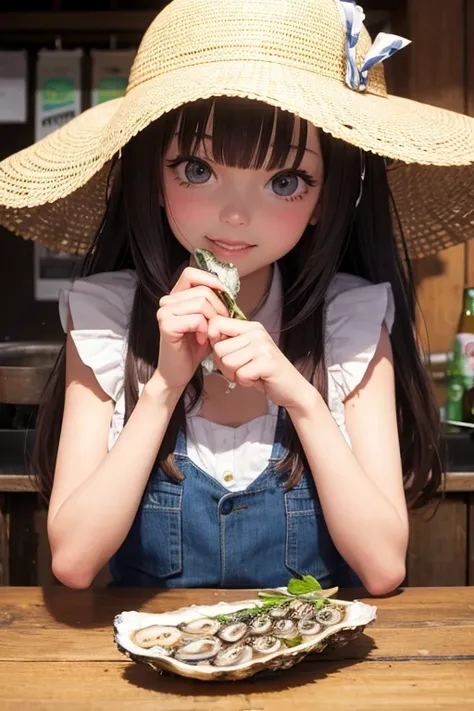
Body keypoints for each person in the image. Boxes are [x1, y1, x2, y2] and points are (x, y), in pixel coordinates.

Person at [1, 0, 473, 593]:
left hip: (318, 667)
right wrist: (163, 388)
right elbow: (73, 560)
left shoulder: (349, 320)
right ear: (153, 174)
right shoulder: (108, 318)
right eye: (197, 169)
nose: (234, 214)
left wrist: (300, 396)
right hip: (145, 671)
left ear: (326, 197)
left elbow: (382, 568)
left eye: (284, 181)